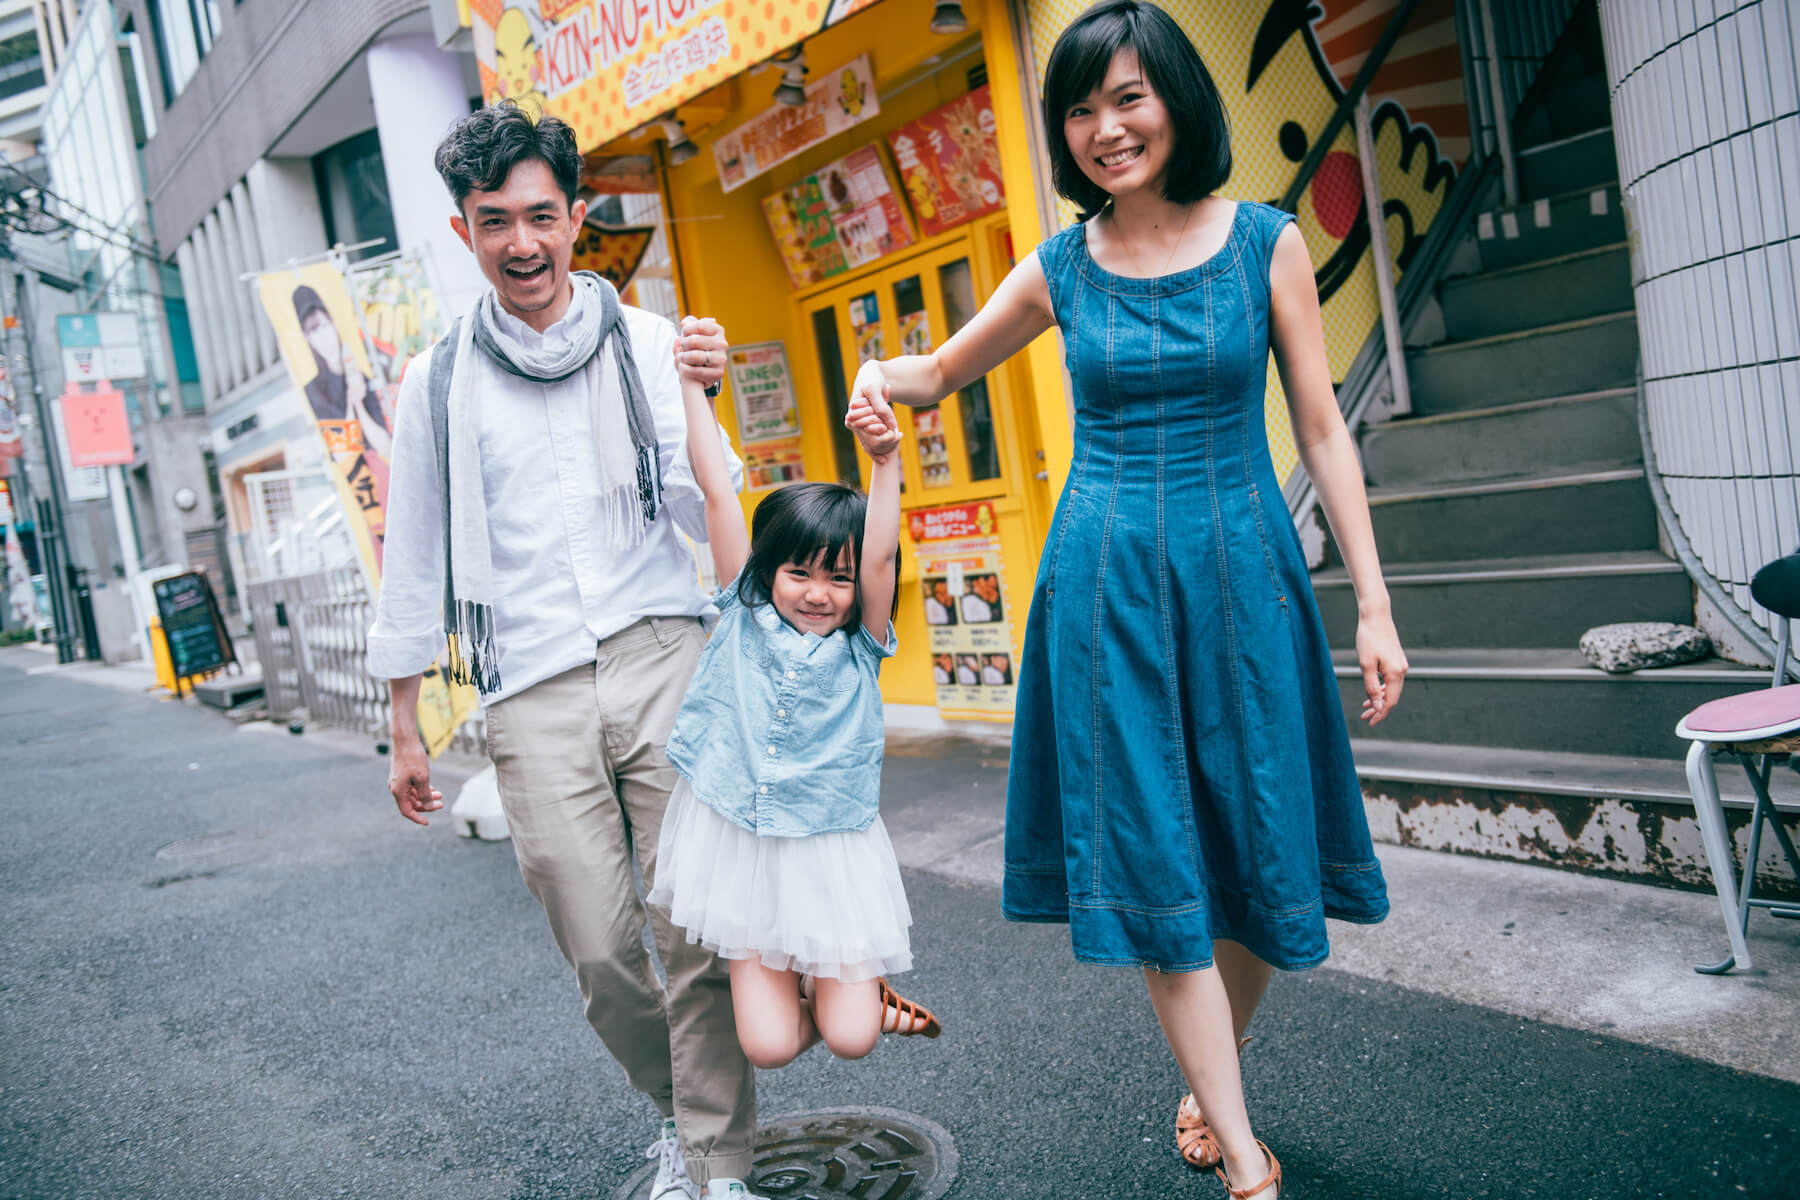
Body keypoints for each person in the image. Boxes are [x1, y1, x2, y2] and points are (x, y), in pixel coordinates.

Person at [845, 3, 1407, 1195]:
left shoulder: (1267, 243)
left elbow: (1321, 426)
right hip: (1108, 595)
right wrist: (870, 374)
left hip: (1247, 576)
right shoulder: (1060, 267)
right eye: (1082, 109)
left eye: (1129, 98)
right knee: (1160, 863)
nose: (1106, 129)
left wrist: (1372, 602)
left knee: (1260, 851)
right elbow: (940, 373)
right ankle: (1244, 1154)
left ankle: (1214, 1079)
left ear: (1177, 102)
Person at [368, 103, 754, 1200]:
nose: (524, 243)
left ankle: (719, 1165)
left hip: (661, 651)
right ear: (465, 234)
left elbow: (706, 508)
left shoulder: (647, 342)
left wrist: (704, 399)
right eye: (497, 222)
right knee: (598, 946)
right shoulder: (436, 383)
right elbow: (416, 558)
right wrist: (402, 722)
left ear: (579, 217)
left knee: (696, 932)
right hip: (529, 685)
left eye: (543, 215)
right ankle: (682, 1119)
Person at [646, 376, 939, 1200]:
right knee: (769, 1045)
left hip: (828, 852)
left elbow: (878, 553)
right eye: (801, 573)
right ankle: (818, 981)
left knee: (850, 1039)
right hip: (740, 848)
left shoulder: (862, 644)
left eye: (836, 580)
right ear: (770, 570)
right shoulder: (741, 614)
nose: (820, 593)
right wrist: (696, 391)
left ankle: (852, 991)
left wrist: (886, 461)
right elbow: (716, 488)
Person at [292, 285, 392, 463]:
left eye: (324, 325)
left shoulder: (361, 374)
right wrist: (351, 404)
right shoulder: (313, 391)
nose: (323, 336)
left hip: (382, 471)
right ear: (308, 339)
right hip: (357, 481)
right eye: (314, 330)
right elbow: (343, 454)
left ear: (333, 324)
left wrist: (359, 405)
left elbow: (386, 447)